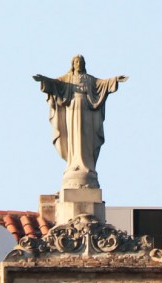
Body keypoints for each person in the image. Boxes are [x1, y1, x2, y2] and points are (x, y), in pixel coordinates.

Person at [34, 55, 128, 189]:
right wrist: (44, 80)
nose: (79, 63)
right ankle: (73, 164)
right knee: (73, 138)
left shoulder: (89, 79)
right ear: (73, 64)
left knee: (86, 139)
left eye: (81, 61)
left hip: (87, 111)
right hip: (71, 109)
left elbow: (102, 83)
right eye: (77, 61)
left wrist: (115, 80)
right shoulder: (67, 79)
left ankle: (87, 165)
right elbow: (56, 84)